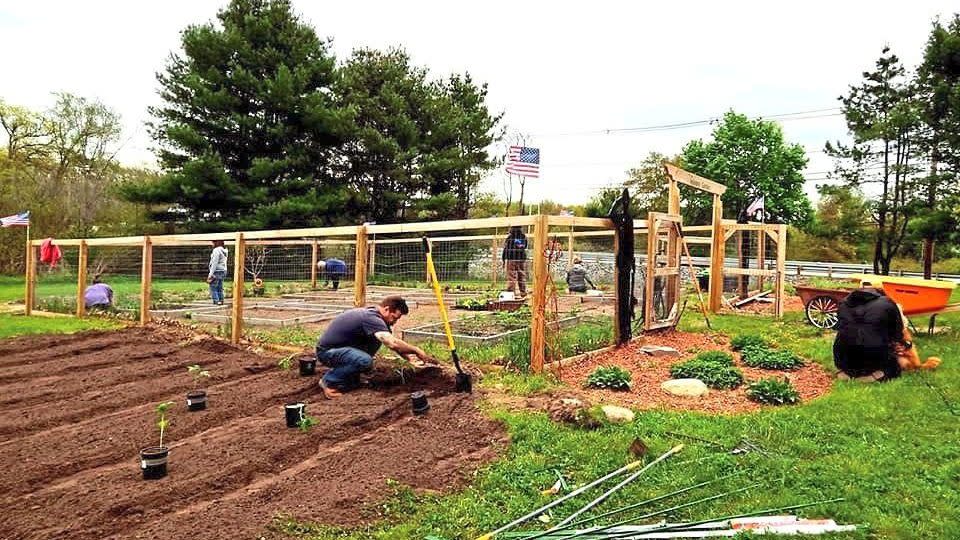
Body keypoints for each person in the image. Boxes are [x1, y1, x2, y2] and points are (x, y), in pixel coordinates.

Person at [315, 296, 435, 398]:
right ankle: (328, 381)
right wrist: (416, 350)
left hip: (340, 350)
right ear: (387, 309)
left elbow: (394, 345)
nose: (394, 322)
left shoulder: (378, 319)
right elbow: (392, 343)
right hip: (327, 352)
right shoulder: (371, 318)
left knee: (375, 343)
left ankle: (351, 377)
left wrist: (410, 359)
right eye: (394, 318)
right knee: (364, 360)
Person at [833, 283, 906, 382]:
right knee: (894, 366)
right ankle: (874, 375)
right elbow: (897, 332)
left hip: (842, 358)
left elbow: (841, 328)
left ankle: (847, 373)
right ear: (879, 292)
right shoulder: (887, 302)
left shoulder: (843, 303)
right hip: (874, 356)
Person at [502, 226, 528, 297]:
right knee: (521, 276)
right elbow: (523, 246)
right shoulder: (523, 237)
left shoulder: (510, 238)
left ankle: (510, 294)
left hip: (511, 258)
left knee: (511, 277)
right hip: (521, 258)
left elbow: (506, 249)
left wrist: (504, 259)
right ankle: (523, 293)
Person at [207, 240, 228, 305]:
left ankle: (216, 301)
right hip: (223, 271)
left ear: (217, 243)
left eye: (213, 242)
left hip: (217, 271)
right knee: (219, 287)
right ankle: (221, 300)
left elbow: (214, 263)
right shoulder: (224, 250)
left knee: (213, 287)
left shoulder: (216, 250)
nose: (212, 244)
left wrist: (210, 274)